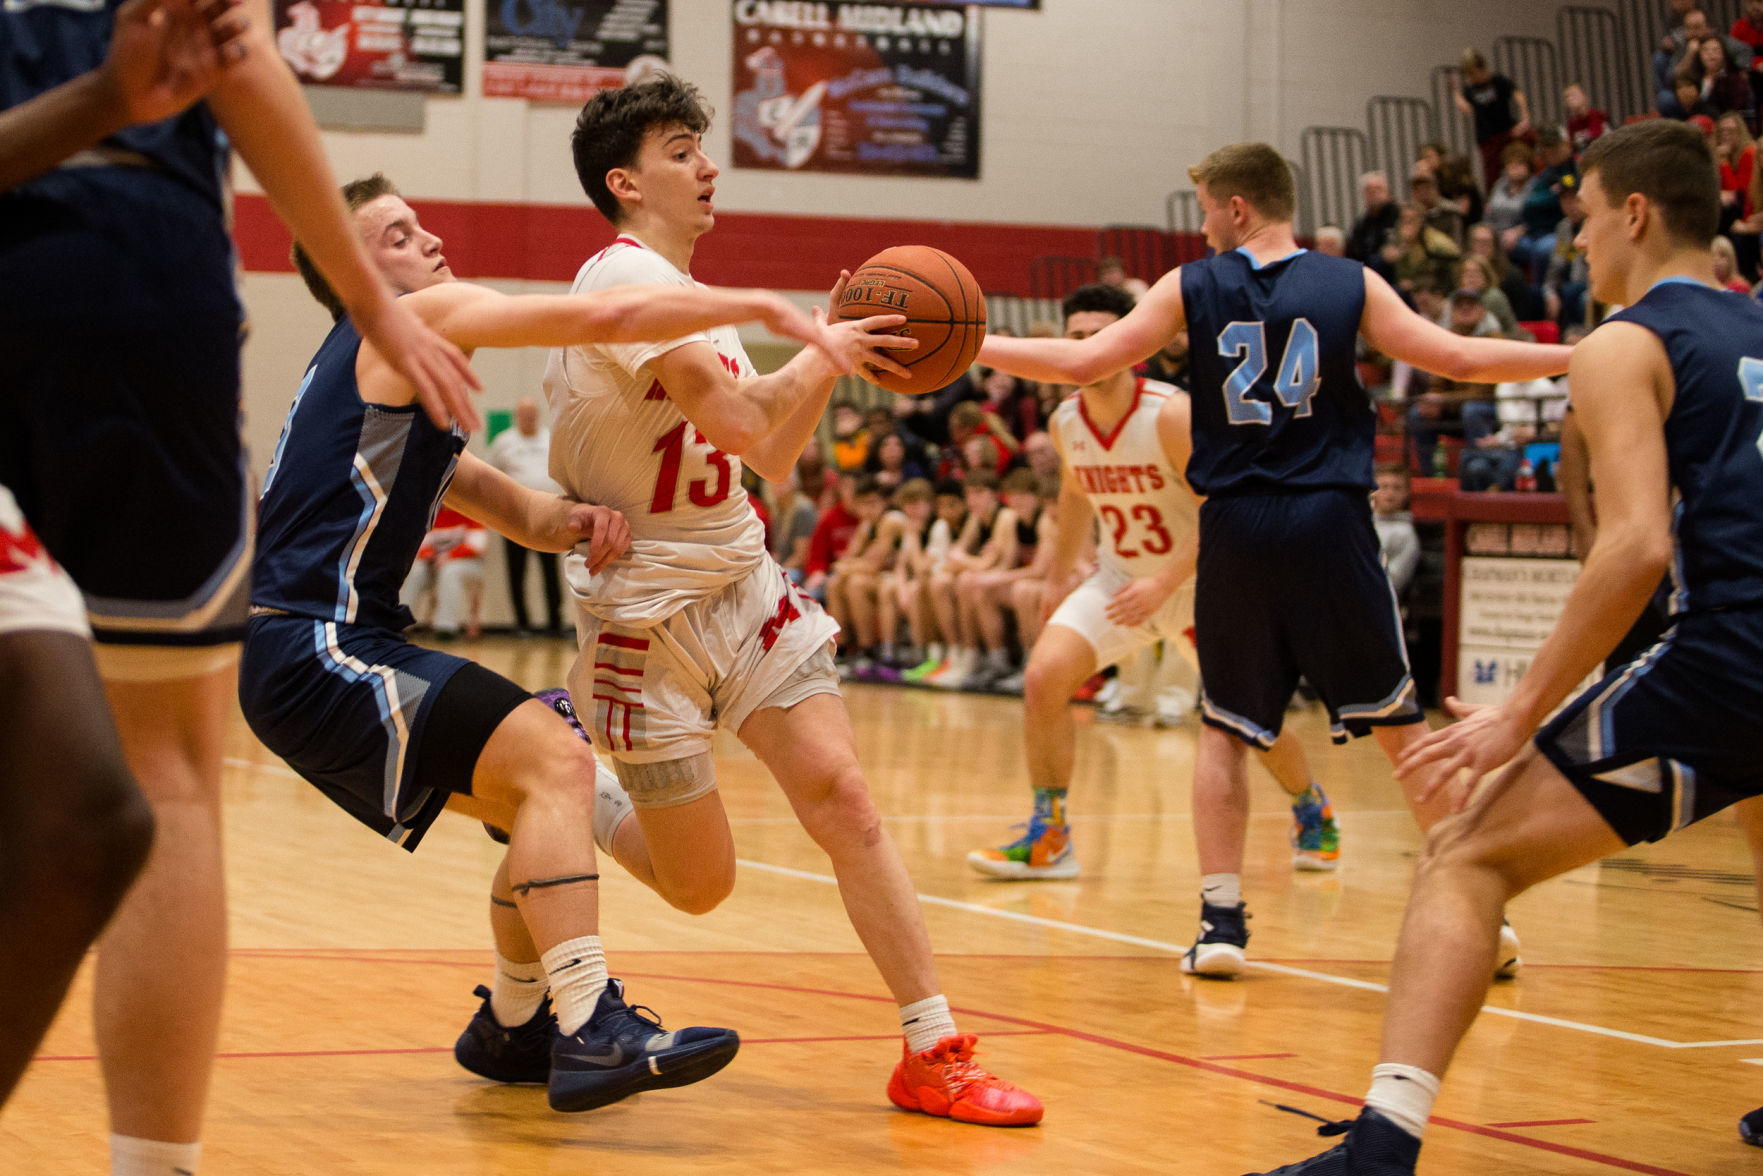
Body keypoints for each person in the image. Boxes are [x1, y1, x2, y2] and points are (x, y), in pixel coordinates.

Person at [246, 174, 871, 1116]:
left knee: (541, 767)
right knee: (552, 761)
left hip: (315, 655)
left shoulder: (379, 377)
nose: (432, 244)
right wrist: (745, 304)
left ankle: (513, 1022)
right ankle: (589, 1028)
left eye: (423, 225)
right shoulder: (400, 322)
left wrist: (575, 520)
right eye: (401, 235)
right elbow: (600, 318)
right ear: (353, 268)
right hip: (319, 646)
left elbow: (513, 507)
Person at [0, 1, 485, 1167]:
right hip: (140, 263)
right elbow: (241, 58)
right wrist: (372, 302)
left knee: (110, 808)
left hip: (86, 234)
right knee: (158, 781)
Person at [1244, 116, 1763, 1176]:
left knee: (1463, 855)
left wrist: (1518, 711)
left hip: (1730, 651)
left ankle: (1381, 1145)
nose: (1572, 244)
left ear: (1631, 213)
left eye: (1578, 219)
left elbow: (1631, 548)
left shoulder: (1623, 343)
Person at [542, 75, 1042, 1125]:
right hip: (641, 617)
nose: (707, 165)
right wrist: (825, 351)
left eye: (702, 148)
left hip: (741, 581)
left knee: (844, 800)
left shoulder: (706, 303)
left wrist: (825, 353)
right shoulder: (622, 280)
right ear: (626, 183)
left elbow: (769, 449)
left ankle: (931, 1048)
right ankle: (563, 784)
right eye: (682, 150)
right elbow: (736, 421)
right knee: (700, 886)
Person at [977, 141, 1570, 979]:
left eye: (1209, 211)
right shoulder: (1351, 281)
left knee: (1225, 728)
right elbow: (1460, 359)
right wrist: (1576, 356)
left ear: (1238, 208)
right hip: (1331, 521)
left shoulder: (1191, 284)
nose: (1206, 227)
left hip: (1238, 524)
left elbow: (1080, 362)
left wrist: (970, 343)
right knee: (1401, 730)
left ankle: (1221, 923)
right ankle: (1485, 916)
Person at [967, 284, 1340, 893]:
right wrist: (1057, 578)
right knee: (1044, 677)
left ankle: (1311, 806)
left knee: (1253, 722)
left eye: (1098, 334)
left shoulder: (1169, 413)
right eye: (1076, 336)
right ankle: (1051, 835)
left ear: (1130, 344)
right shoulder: (1066, 421)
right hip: (1121, 581)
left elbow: (1225, 509)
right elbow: (1073, 497)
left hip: (1202, 584)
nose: (1086, 346)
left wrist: (1165, 581)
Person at [486, 397, 565, 635]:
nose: (528, 418)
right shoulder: (503, 442)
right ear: (516, 416)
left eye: (532, 414)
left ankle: (555, 623)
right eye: (524, 414)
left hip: (547, 516)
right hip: (513, 517)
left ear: (538, 415)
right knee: (517, 572)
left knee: (550, 571)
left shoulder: (549, 438)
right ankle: (522, 623)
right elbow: (491, 476)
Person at [401, 506, 488, 639]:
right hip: (435, 565)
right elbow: (420, 545)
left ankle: (446, 627)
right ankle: (402, 624)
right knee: (417, 571)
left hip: (468, 564)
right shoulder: (431, 515)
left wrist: (449, 556)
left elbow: (477, 546)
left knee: (450, 571)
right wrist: (431, 555)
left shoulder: (471, 513)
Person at [1455, 48, 1530, 191]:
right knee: (1492, 175)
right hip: (1487, 137)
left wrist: (1525, 117)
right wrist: (1457, 96)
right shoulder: (1470, 89)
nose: (1472, 78)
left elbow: (1517, 94)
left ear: (1481, 67)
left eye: (1473, 73)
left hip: (1505, 131)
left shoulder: (1498, 81)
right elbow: (1468, 109)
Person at [1563, 82, 1609, 154]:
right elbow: (1570, 146)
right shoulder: (1572, 123)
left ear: (1584, 97)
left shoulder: (1597, 115)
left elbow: (1596, 136)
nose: (1571, 98)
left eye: (1574, 94)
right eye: (1567, 96)